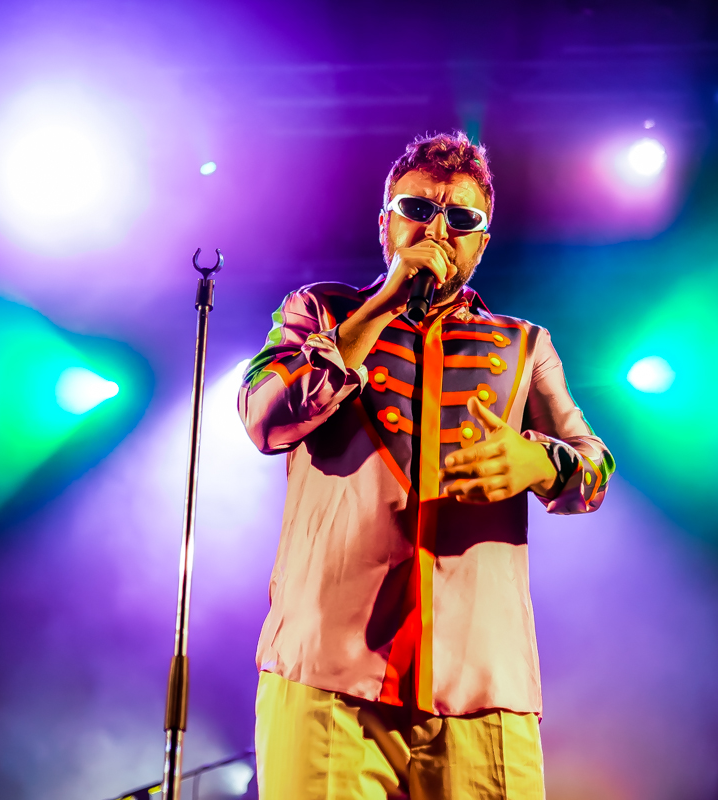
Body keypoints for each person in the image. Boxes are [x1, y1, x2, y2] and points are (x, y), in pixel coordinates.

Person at [239, 131, 614, 800]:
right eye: (417, 209)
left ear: (481, 243)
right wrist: (383, 303)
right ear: (385, 223)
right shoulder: (319, 311)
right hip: (327, 675)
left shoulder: (524, 345)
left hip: (481, 685)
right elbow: (264, 417)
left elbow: (594, 470)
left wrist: (538, 461)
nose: (437, 230)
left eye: (461, 218)